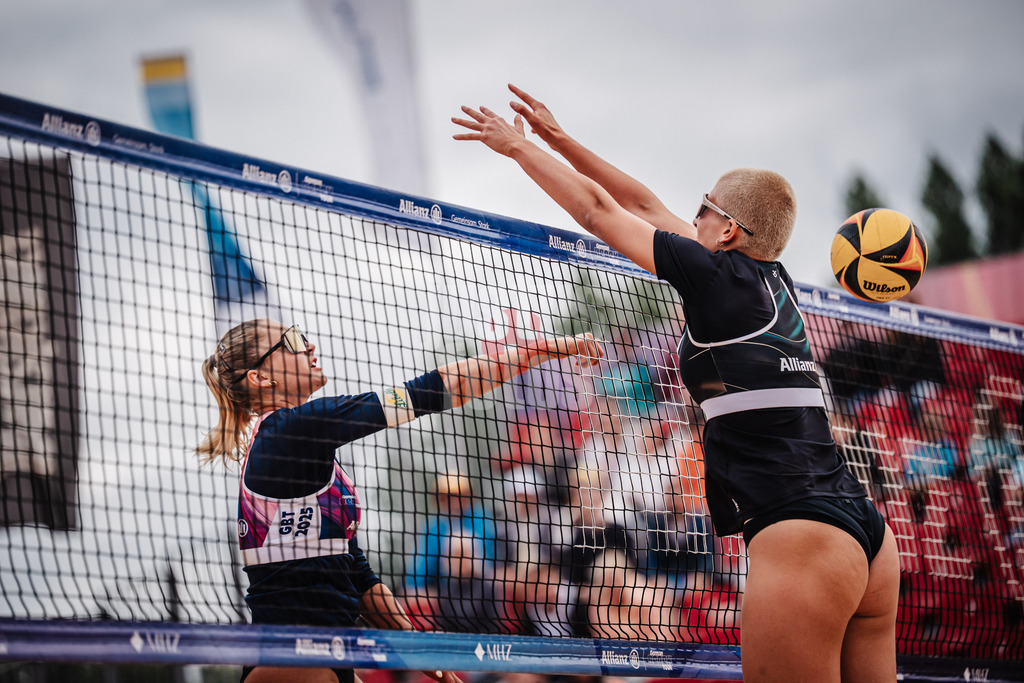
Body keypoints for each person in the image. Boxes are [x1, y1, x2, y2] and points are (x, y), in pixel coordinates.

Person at [453, 85, 900, 682]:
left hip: (803, 536)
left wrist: (517, 150)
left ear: (728, 233)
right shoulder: (770, 280)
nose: (692, 216)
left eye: (705, 208)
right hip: (868, 538)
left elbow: (599, 212)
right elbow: (642, 202)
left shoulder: (715, 279)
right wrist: (559, 139)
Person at [196, 318, 603, 683]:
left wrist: (415, 649)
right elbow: (440, 388)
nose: (308, 345)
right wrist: (550, 349)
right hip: (295, 653)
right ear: (260, 378)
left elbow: (358, 575)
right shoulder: (290, 430)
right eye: (292, 339)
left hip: (325, 649)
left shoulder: (303, 450)